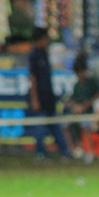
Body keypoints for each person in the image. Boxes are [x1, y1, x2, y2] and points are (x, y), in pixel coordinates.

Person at [27, 27, 72, 160]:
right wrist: (35, 99)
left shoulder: (44, 54)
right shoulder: (33, 55)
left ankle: (64, 152)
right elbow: (32, 78)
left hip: (48, 96)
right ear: (40, 39)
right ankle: (41, 153)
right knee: (40, 127)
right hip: (39, 97)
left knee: (55, 125)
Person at [64, 54, 99, 164]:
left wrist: (87, 104)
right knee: (65, 125)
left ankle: (90, 152)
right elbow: (73, 99)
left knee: (85, 126)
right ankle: (72, 150)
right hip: (77, 113)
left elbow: (98, 94)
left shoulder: (91, 82)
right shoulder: (76, 85)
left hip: (90, 113)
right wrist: (73, 105)